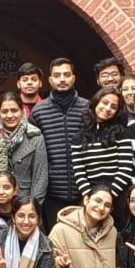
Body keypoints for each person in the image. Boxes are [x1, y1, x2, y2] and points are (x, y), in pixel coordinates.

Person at [31, 58, 92, 226]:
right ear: (50, 80)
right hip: (52, 194)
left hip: (84, 192)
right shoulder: (39, 112)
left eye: (66, 74)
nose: (62, 79)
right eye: (57, 75)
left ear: (73, 78)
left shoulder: (88, 108)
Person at [70, 87, 135, 210]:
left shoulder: (122, 133)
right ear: (96, 102)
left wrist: (109, 196)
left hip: (118, 196)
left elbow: (126, 169)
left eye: (113, 107)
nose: (108, 108)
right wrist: (91, 196)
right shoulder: (78, 138)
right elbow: (79, 173)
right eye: (104, 103)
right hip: (91, 197)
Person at [0, 91, 48, 203]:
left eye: (14, 110)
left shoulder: (35, 136)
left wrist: (33, 205)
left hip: (25, 201)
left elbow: (40, 177)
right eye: (4, 111)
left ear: (22, 111)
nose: (9, 115)